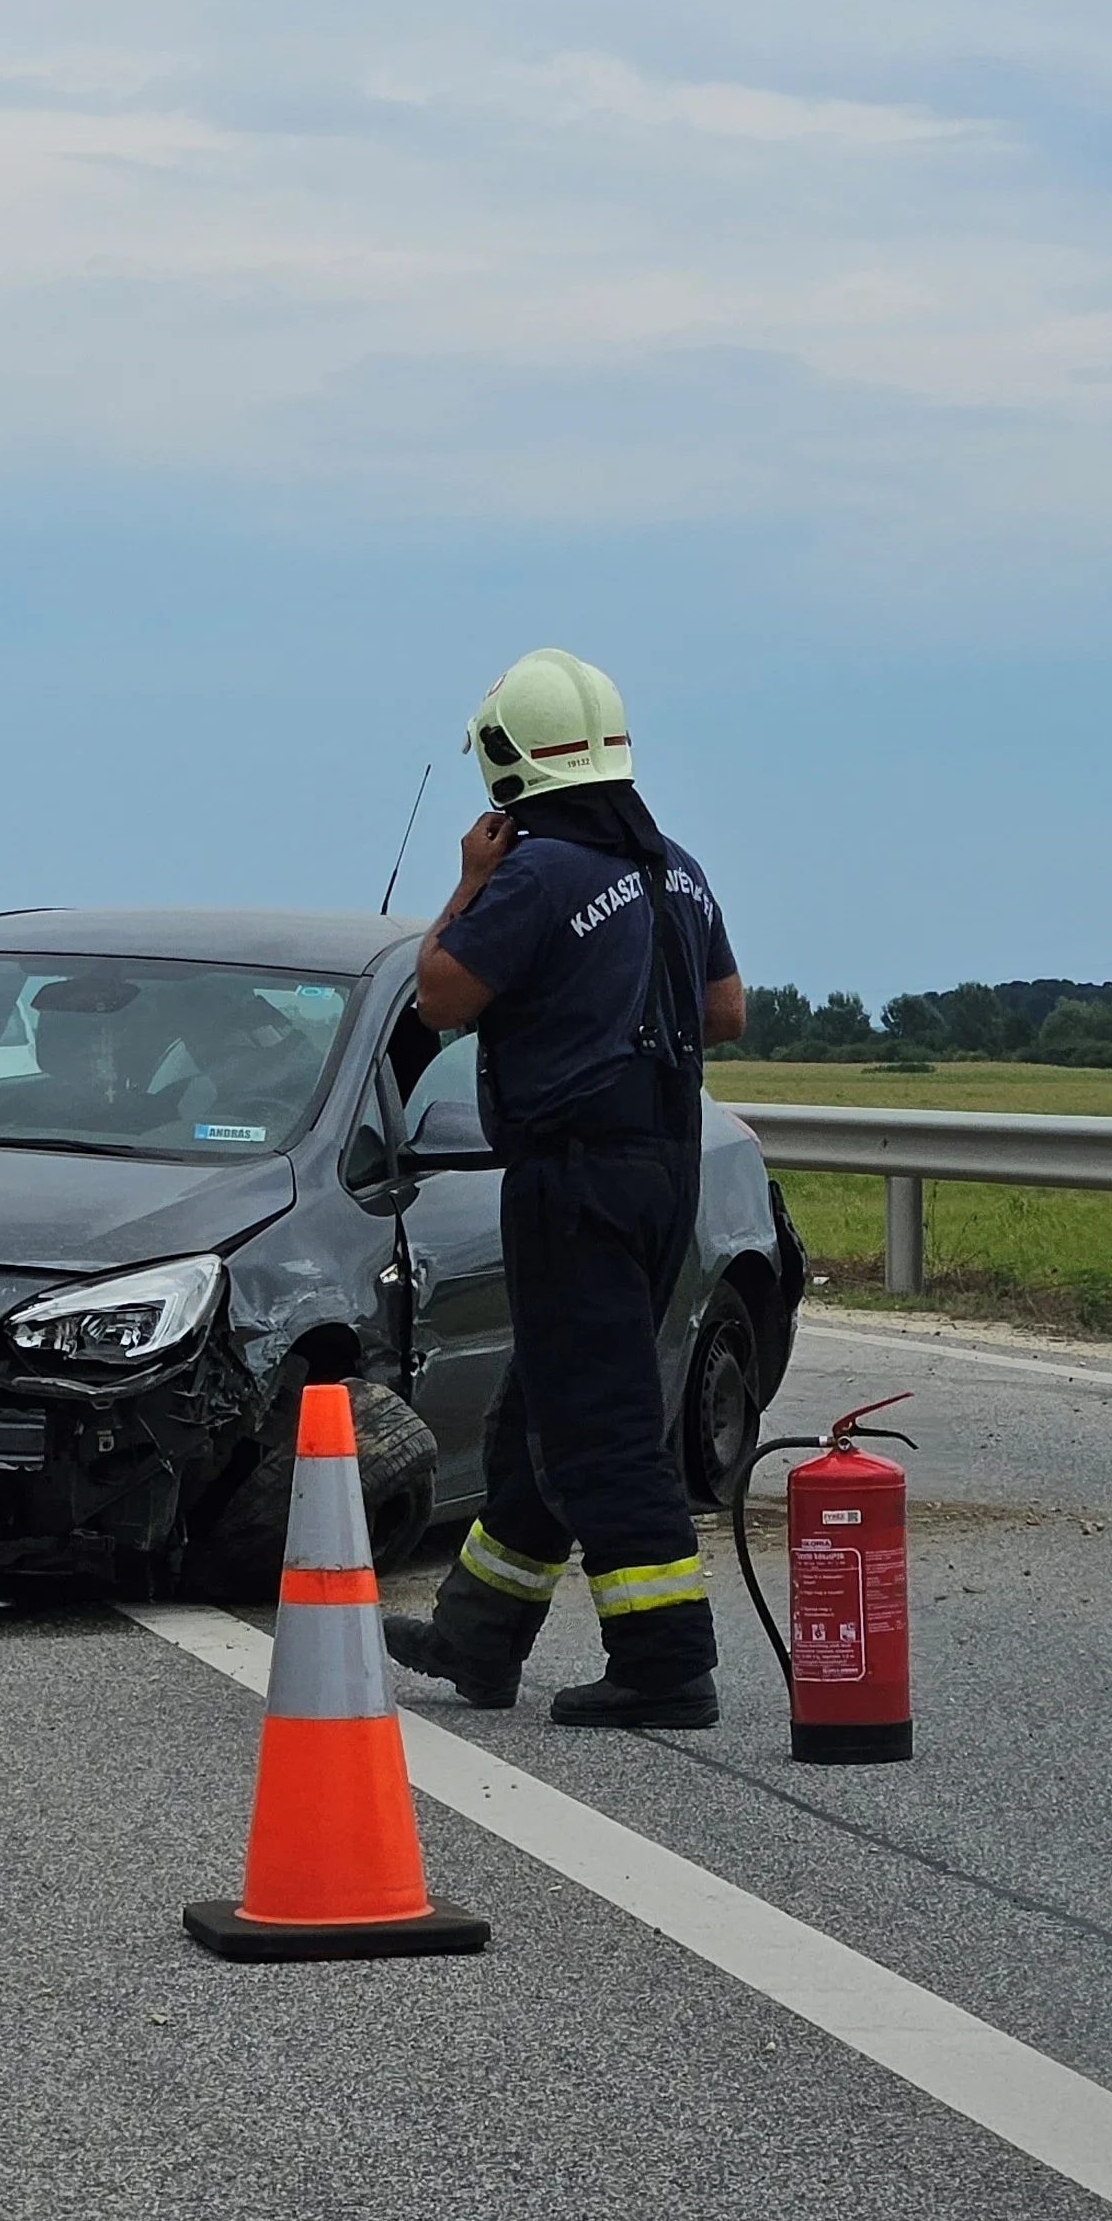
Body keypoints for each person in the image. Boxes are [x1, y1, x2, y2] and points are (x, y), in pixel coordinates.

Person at [380, 649, 748, 1729]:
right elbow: (722, 1013)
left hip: (570, 1175)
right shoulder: (672, 865)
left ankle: (664, 1662)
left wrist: (467, 884)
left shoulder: (533, 872)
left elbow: (441, 995)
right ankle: (477, 1637)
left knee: (600, 1425)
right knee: (540, 1408)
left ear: (504, 764)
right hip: (660, 1169)